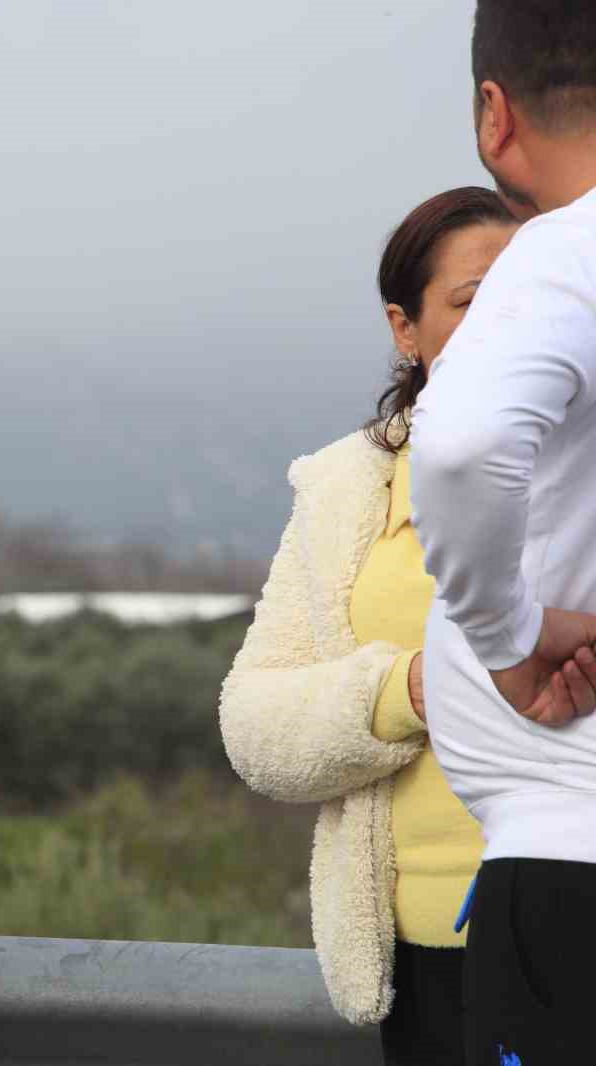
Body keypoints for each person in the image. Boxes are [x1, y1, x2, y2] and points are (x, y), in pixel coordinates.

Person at [220, 188, 517, 1064]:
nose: (505, 324)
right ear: (406, 328)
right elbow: (253, 722)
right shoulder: (345, 489)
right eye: (470, 302)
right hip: (421, 956)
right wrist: (410, 689)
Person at [406, 3, 596, 1063]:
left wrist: (509, 634)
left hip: (571, 866)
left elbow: (458, 446)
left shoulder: (563, 250)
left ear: (495, 112)